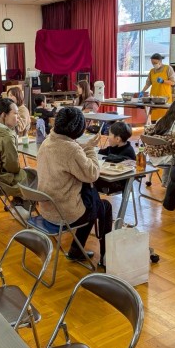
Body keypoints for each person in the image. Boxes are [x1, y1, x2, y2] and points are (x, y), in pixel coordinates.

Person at [37, 107, 112, 265]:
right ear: (78, 128)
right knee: (103, 206)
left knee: (91, 201)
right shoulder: (71, 150)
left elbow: (68, 151)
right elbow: (92, 173)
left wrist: (84, 146)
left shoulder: (47, 141)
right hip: (64, 213)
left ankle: (76, 250)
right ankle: (106, 257)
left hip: (47, 208)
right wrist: (90, 148)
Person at [143, 99, 175, 183]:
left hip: (152, 156)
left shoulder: (161, 119)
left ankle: (165, 181)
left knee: (171, 148)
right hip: (168, 158)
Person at [95, 122, 136, 195]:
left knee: (87, 181)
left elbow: (114, 161)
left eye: (109, 134)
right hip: (108, 178)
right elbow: (100, 152)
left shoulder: (128, 152)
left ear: (117, 139)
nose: (108, 137)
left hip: (117, 183)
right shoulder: (113, 147)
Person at [140, 53, 175, 120]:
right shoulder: (152, 71)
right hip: (154, 97)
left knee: (164, 117)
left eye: (155, 63)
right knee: (154, 118)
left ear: (160, 61)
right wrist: (142, 91)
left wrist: (163, 81)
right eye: (152, 63)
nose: (154, 64)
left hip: (164, 97)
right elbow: (148, 83)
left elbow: (173, 82)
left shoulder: (168, 68)